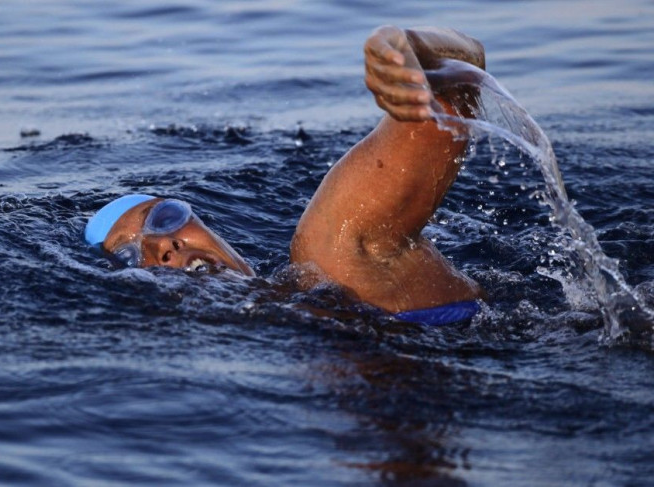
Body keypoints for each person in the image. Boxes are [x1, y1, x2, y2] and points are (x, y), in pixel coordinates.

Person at [85, 25, 487, 325]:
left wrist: (408, 49)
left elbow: (457, 86)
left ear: (206, 226)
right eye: (129, 255)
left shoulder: (331, 261)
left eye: (163, 217)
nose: (163, 245)